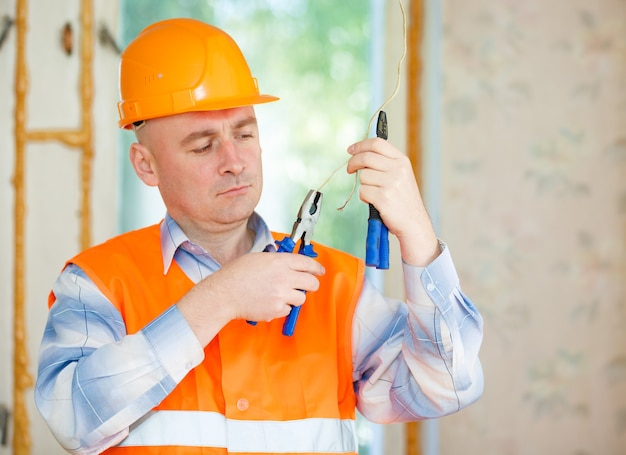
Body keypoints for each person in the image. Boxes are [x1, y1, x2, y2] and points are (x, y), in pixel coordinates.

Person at [34, 18, 483, 455]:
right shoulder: (98, 282)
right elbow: (73, 422)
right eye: (203, 144)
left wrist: (418, 236)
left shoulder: (332, 285)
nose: (234, 160)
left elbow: (447, 388)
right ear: (146, 165)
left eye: (244, 133)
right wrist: (220, 298)